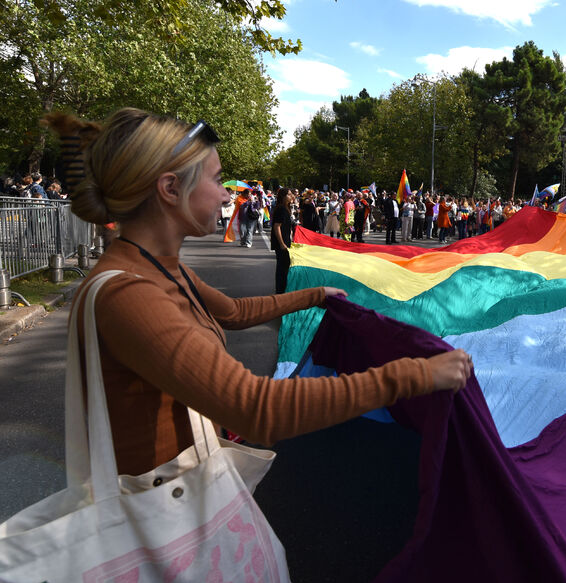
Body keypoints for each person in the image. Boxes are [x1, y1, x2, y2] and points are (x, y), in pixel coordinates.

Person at [45, 107, 473, 480]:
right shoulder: (129, 293)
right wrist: (418, 375)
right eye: (217, 181)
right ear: (171, 189)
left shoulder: (156, 267)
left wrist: (315, 294)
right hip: (159, 525)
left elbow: (232, 311)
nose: (227, 196)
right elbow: (257, 408)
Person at [271, 187, 295, 293]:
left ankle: (282, 289)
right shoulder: (281, 209)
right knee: (282, 268)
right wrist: (281, 243)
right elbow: (277, 227)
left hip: (286, 240)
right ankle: (280, 291)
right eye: (289, 194)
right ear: (283, 197)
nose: (291, 196)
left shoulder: (286, 208)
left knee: (284, 267)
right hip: (282, 243)